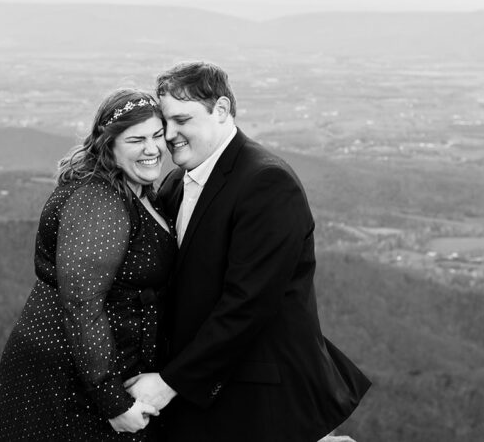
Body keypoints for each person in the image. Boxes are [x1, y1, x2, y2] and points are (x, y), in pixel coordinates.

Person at [126, 61, 370, 441]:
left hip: (257, 399)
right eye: (165, 123)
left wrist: (168, 383)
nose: (169, 135)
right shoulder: (177, 182)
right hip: (204, 394)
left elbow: (247, 305)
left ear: (221, 110)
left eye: (182, 120)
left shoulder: (266, 183)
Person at [0, 89, 177, 441]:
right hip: (68, 377)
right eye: (136, 139)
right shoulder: (98, 199)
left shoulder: (139, 191)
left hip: (97, 372)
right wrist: (113, 402)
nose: (152, 149)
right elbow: (82, 304)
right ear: (109, 145)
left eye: (157, 135)